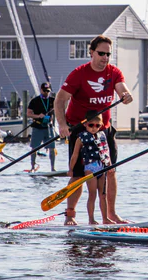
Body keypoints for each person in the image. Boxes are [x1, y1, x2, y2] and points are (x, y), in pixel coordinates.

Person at [55, 35, 134, 226]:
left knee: (110, 172)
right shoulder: (79, 74)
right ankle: (70, 215)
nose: (105, 58)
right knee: (79, 175)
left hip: (103, 131)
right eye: (101, 53)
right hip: (80, 130)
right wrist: (62, 125)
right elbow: (60, 100)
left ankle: (111, 215)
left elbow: (121, 87)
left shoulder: (113, 72)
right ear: (91, 53)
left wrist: (125, 94)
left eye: (108, 54)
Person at [68, 113, 112, 224]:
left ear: (101, 125)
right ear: (86, 125)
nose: (94, 128)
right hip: (90, 168)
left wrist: (109, 165)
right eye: (91, 125)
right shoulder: (81, 137)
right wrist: (71, 169)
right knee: (92, 194)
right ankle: (91, 219)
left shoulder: (102, 135)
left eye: (97, 126)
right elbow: (75, 155)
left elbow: (106, 151)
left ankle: (105, 218)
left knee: (103, 195)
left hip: (101, 167)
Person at [27, 82, 57, 172]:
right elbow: (28, 114)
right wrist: (38, 116)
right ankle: (32, 166)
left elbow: (62, 107)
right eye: (44, 91)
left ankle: (53, 168)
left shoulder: (53, 100)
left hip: (49, 127)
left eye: (48, 91)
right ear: (41, 90)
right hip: (37, 127)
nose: (46, 93)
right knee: (34, 148)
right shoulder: (35, 101)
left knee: (52, 148)